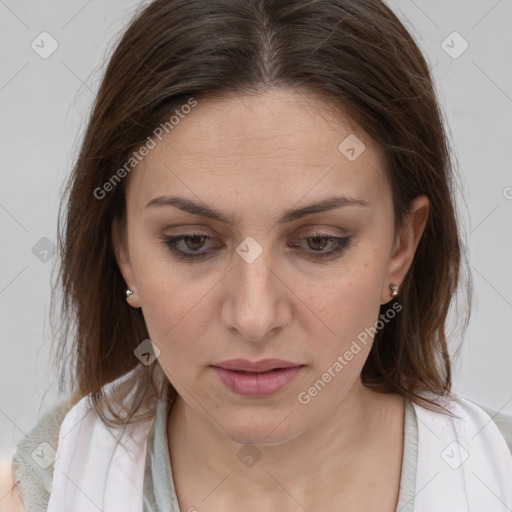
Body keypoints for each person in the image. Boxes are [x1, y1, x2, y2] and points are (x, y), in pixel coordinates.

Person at [10, 0, 512, 511]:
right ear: (124, 251)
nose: (254, 317)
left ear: (400, 247)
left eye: (320, 241)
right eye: (192, 242)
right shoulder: (35, 493)